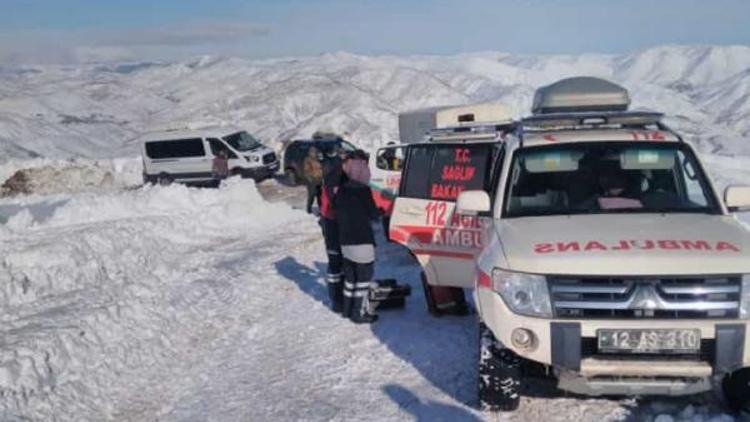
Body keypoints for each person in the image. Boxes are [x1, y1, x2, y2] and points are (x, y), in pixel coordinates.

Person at [336, 149, 379, 324]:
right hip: (361, 240)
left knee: (351, 278)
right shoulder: (363, 191)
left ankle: (347, 310)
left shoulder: (341, 190)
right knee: (363, 278)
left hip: (345, 241)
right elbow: (373, 213)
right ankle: (358, 313)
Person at [320, 151, 344, 312]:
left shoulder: (328, 181)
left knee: (335, 263)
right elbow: (336, 205)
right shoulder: (336, 182)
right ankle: (340, 299)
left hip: (329, 224)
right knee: (340, 263)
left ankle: (337, 299)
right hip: (335, 224)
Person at [303, 147, 323, 214]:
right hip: (312, 181)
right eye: (314, 152)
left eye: (316, 152)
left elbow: (320, 168)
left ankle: (321, 209)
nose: (315, 153)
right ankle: (309, 209)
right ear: (311, 152)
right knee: (311, 195)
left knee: (320, 196)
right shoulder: (308, 160)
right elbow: (307, 170)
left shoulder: (318, 159)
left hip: (319, 180)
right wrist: (311, 178)